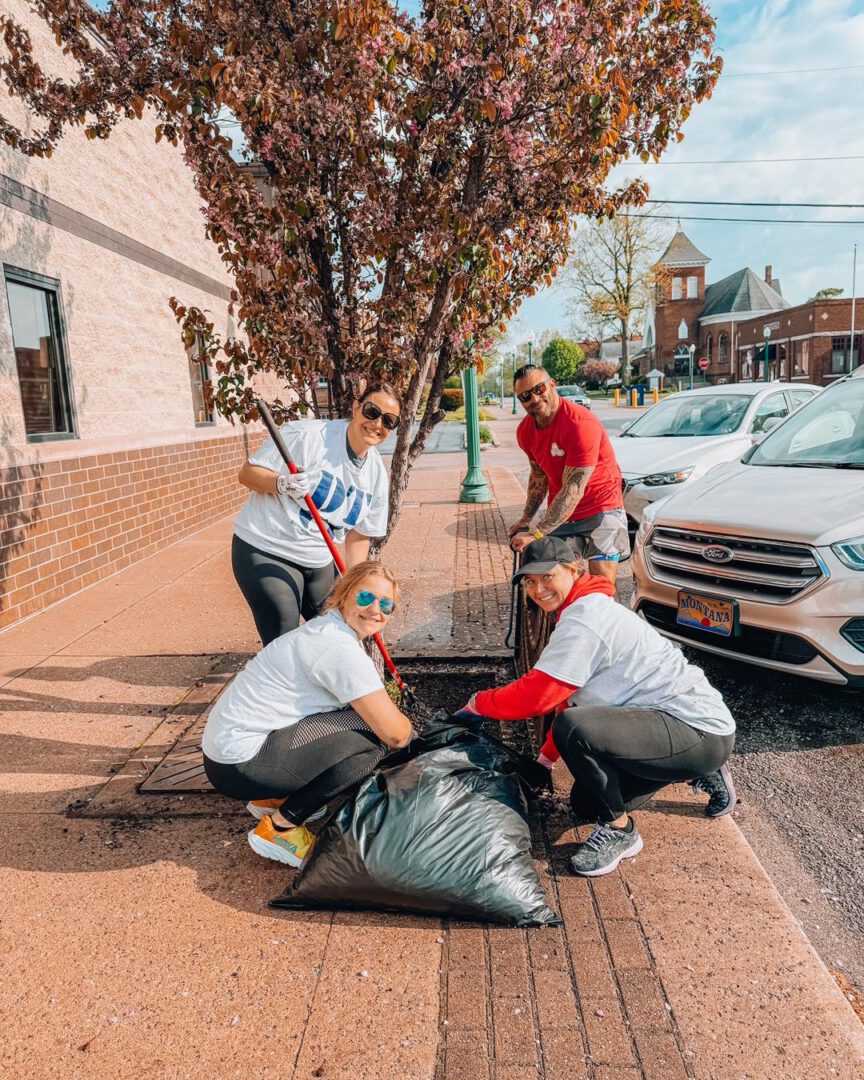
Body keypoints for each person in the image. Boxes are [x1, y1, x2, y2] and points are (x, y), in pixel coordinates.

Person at [459, 536, 736, 877]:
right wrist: (545, 761)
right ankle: (687, 766)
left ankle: (622, 833)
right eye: (530, 581)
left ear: (573, 570)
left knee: (575, 729)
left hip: (696, 729)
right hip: (668, 725)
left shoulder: (585, 619)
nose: (538, 588)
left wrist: (477, 705)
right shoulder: (582, 607)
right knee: (586, 804)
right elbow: (572, 697)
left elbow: (540, 697)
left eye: (548, 576)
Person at [202, 561, 413, 867]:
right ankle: (280, 827)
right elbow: (396, 734)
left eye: (386, 605)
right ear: (343, 593)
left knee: (359, 722)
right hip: (240, 764)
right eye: (366, 598)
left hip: (229, 753)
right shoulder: (337, 648)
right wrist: (412, 731)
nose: (375, 610)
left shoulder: (325, 629)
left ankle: (272, 799)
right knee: (373, 743)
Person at [233, 383, 401, 645]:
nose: (377, 423)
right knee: (284, 636)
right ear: (357, 408)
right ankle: (285, 683)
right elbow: (247, 474)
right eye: (371, 411)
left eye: (389, 421)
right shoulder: (307, 435)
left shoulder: (376, 475)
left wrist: (353, 586)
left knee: (339, 633)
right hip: (268, 548)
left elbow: (359, 535)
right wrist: (282, 483)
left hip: (319, 559)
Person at [509, 364, 628, 583]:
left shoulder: (579, 423)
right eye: (525, 396)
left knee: (601, 588)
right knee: (555, 580)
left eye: (539, 389)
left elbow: (574, 487)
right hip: (563, 514)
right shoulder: (525, 431)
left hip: (601, 508)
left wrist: (537, 533)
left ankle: (606, 615)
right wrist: (527, 518)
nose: (534, 399)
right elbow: (538, 476)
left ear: (552, 385)